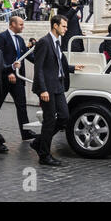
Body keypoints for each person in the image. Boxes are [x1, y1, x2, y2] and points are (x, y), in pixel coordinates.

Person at [30, 15, 84, 166]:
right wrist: (42, 90)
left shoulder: (57, 42)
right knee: (49, 121)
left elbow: (58, 63)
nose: (66, 29)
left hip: (58, 86)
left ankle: (38, 142)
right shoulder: (44, 42)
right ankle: (44, 156)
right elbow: (38, 68)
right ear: (55, 26)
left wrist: (73, 68)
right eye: (64, 26)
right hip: (47, 88)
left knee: (64, 117)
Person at [0, 17, 37, 141]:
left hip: (18, 78)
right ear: (13, 24)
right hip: (6, 77)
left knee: (22, 105)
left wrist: (42, 62)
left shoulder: (19, 39)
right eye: (21, 24)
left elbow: (27, 55)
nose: (23, 26)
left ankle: (25, 133)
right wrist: (8, 72)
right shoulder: (1, 37)